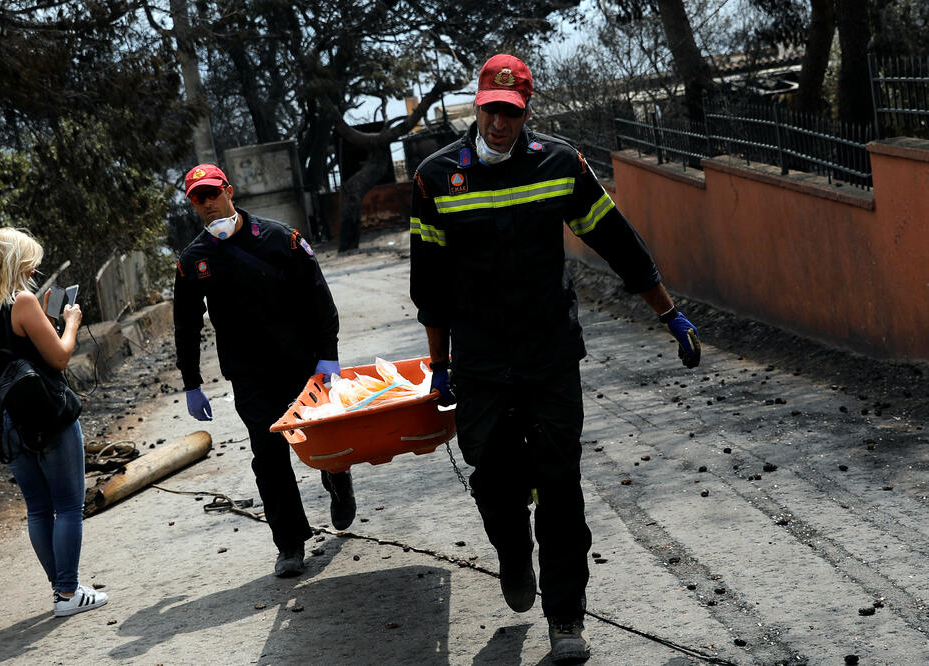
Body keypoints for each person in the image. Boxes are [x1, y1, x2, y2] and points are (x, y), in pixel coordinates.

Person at [409, 54, 701, 664]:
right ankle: (514, 555)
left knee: (560, 486)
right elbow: (429, 285)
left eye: (511, 114)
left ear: (526, 112)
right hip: (481, 364)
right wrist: (439, 366)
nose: (500, 123)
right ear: (477, 105)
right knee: (493, 481)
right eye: (491, 110)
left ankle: (565, 618)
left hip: (549, 356)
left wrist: (667, 312)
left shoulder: (559, 164)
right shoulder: (435, 178)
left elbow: (617, 241)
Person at [173, 164, 356, 578]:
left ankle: (338, 479)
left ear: (229, 191)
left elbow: (318, 296)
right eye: (197, 198)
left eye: (212, 193)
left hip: (302, 363)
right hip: (250, 375)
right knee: (268, 457)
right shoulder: (193, 261)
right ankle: (289, 544)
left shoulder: (280, 238)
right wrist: (192, 383)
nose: (207, 203)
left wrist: (328, 354)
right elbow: (185, 325)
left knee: (322, 439)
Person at [0, 227, 108, 618]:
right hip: (44, 413)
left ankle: (60, 589)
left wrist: (44, 321)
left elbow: (12, 350)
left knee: (37, 509)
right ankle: (67, 593)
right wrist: (71, 322)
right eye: (29, 261)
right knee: (67, 506)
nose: (33, 269)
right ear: (16, 262)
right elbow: (60, 358)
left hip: (4, 415)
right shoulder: (24, 302)